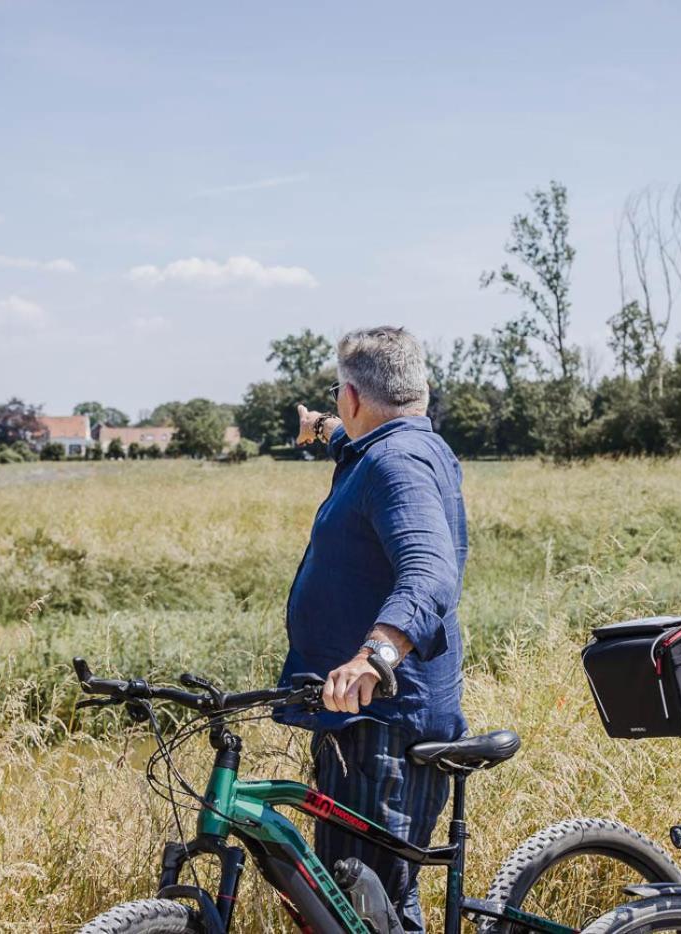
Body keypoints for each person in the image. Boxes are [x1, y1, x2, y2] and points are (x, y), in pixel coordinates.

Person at [277, 325, 467, 933]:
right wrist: (324, 429)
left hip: (384, 716)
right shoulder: (389, 447)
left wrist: (374, 655)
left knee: (364, 900)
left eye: (340, 398)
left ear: (353, 396)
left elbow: (431, 569)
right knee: (366, 905)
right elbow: (355, 445)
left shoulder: (396, 463)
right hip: (360, 717)